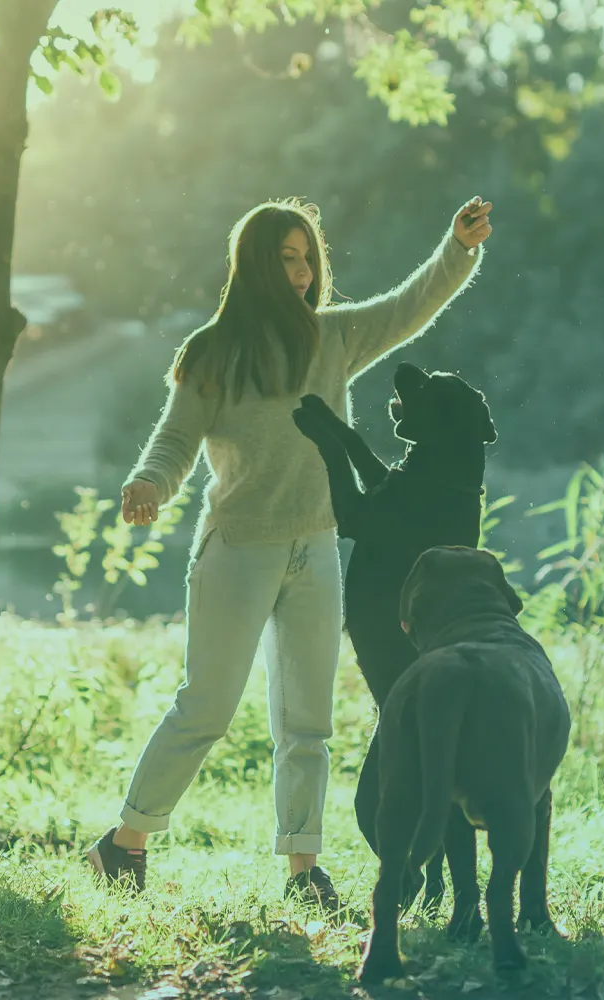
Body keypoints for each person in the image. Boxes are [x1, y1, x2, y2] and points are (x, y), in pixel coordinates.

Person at [86, 194, 495, 910]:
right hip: (237, 549)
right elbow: (176, 439)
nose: (303, 272)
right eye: (287, 257)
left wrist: (457, 248)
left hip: (316, 549)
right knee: (204, 708)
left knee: (307, 723)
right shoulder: (212, 353)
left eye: (309, 257)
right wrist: (148, 481)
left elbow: (409, 305)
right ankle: (125, 843)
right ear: (255, 264)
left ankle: (303, 869)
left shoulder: (332, 339)